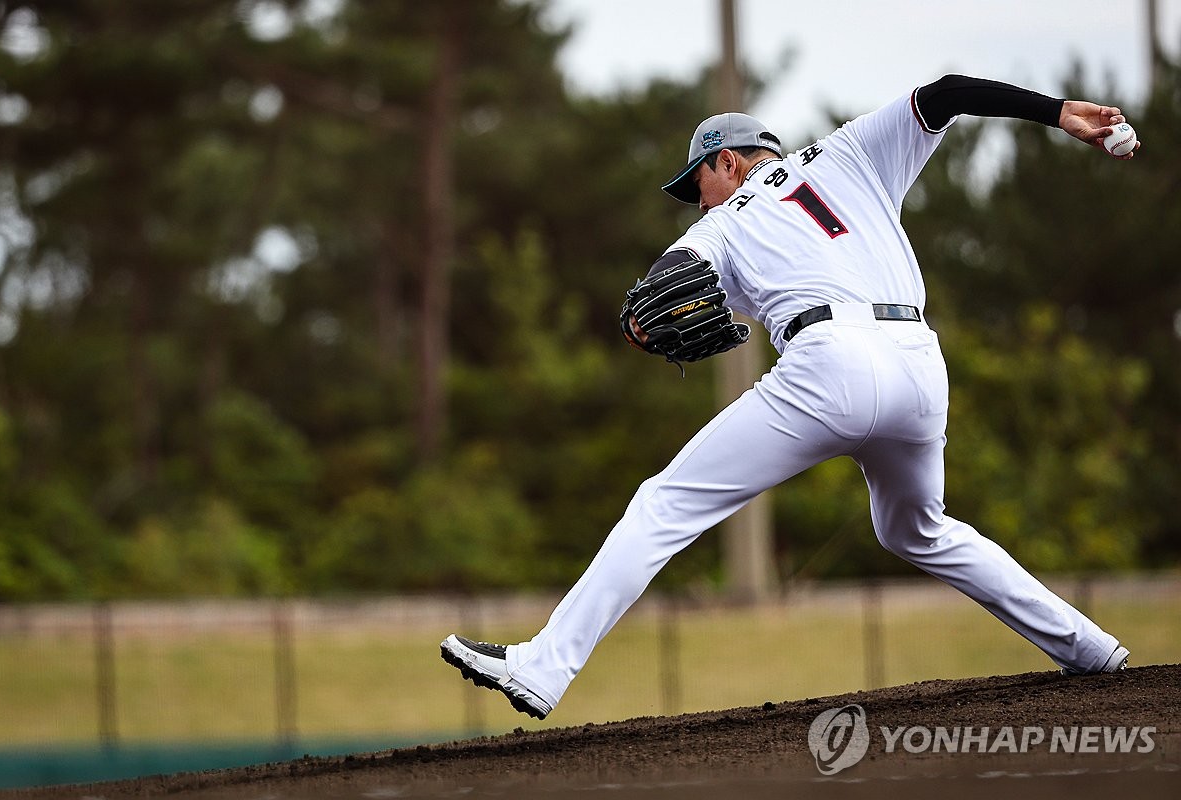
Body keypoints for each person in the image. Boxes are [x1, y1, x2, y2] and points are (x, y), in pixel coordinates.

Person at [440, 74, 1138, 720]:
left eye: (698, 181)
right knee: (916, 528)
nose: (698, 198)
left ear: (730, 162)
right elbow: (948, 92)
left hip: (829, 366)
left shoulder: (721, 222)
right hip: (920, 364)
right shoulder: (850, 152)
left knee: (666, 502)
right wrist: (1059, 114)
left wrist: (636, 321)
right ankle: (1089, 648)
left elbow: (664, 285)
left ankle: (544, 666)